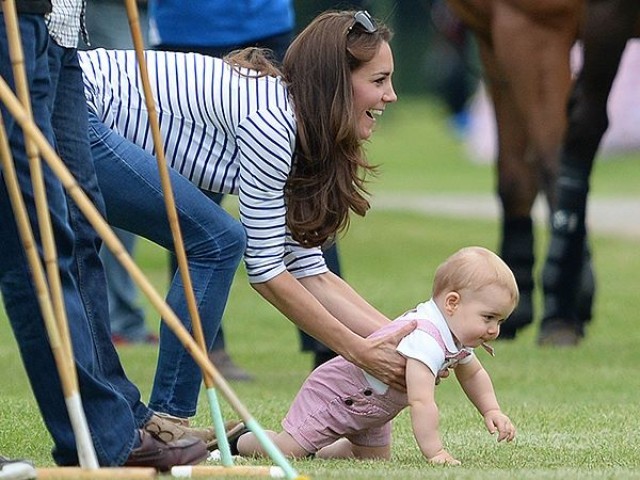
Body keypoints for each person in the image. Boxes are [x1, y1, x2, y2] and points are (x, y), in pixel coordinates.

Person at [78, 9, 413, 419]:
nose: (391, 95)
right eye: (379, 81)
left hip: (74, 102)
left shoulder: (295, 121)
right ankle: (169, 420)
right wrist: (360, 351)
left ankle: (163, 420)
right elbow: (267, 273)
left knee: (216, 241)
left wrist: (408, 341)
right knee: (218, 242)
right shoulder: (273, 123)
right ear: (335, 84)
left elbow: (310, 270)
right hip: (75, 105)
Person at [0, 0, 208, 470]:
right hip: (13, 22)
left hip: (59, 29)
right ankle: (101, 433)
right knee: (35, 236)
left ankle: (112, 415)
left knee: (80, 226)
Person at [147, 0, 341, 377]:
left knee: (306, 193)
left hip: (266, 24)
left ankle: (330, 345)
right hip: (188, 29)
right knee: (194, 207)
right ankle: (206, 348)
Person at [234, 246, 518, 465]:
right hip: (338, 395)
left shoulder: (457, 335)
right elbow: (421, 401)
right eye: (488, 318)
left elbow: (474, 373)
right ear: (452, 303)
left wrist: (491, 410)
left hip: (375, 411)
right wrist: (436, 452)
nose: (493, 330)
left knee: (371, 459)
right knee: (287, 451)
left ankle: (316, 448)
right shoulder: (426, 339)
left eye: (500, 322)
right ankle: (242, 439)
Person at [80, 0, 158, 346]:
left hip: (140, 12)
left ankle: (116, 316)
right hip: (101, 9)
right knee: (114, 160)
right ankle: (114, 318)